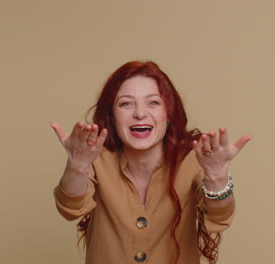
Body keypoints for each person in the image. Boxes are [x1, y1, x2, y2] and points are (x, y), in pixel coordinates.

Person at [50, 61, 251, 264]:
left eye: (153, 102)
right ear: (112, 115)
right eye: (126, 103)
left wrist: (217, 175)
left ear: (169, 114)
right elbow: (69, 208)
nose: (140, 113)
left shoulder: (192, 159)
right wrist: (78, 165)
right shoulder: (97, 157)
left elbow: (219, 216)